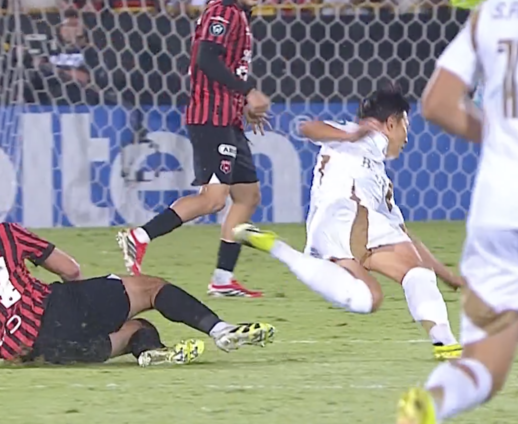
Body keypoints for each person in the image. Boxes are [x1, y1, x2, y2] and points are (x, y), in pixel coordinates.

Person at [0, 191, 275, 367]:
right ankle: (221, 330)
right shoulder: (2, 233)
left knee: (138, 328)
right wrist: (88, 303)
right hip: (53, 313)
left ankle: (150, 352)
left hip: (26, 353)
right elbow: (71, 270)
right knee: (150, 288)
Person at [232, 87, 463, 361]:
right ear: (391, 123)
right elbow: (309, 128)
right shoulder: (360, 135)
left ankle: (279, 248)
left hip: (333, 228)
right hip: (346, 214)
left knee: (370, 298)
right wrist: (351, 135)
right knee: (414, 270)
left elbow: (403, 234)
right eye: (405, 126)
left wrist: (448, 277)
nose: (406, 137)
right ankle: (444, 340)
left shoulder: (379, 180)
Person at [395, 1, 518, 422]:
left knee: (484, 362)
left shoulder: (492, 14)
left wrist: (500, 141)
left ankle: (434, 402)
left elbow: (437, 104)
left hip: (499, 207)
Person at [116, 0, 271, 298]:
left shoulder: (238, 14)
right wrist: (249, 91)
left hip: (228, 118)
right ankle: (140, 236)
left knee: (248, 196)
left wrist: (241, 103)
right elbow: (206, 58)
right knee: (213, 199)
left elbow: (226, 68)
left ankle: (223, 279)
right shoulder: (223, 11)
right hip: (211, 118)